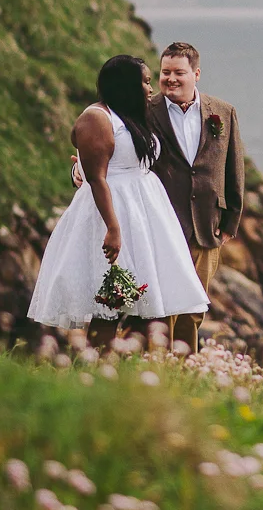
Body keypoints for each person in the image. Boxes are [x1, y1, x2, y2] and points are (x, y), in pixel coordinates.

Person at [72, 42, 246, 351]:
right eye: (165, 72)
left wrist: (230, 222)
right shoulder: (140, 108)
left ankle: (183, 366)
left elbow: (234, 167)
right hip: (156, 224)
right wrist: (78, 172)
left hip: (205, 226)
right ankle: (151, 365)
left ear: (196, 74)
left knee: (192, 306)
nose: (170, 79)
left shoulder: (222, 111)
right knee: (154, 309)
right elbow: (107, 153)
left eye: (179, 72)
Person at [29, 55, 208, 337]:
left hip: (145, 214)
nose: (151, 88)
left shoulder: (131, 115)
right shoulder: (96, 118)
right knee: (111, 301)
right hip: (113, 213)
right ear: (126, 84)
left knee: (148, 304)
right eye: (145, 81)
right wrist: (113, 228)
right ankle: (99, 358)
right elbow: (98, 178)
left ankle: (135, 360)